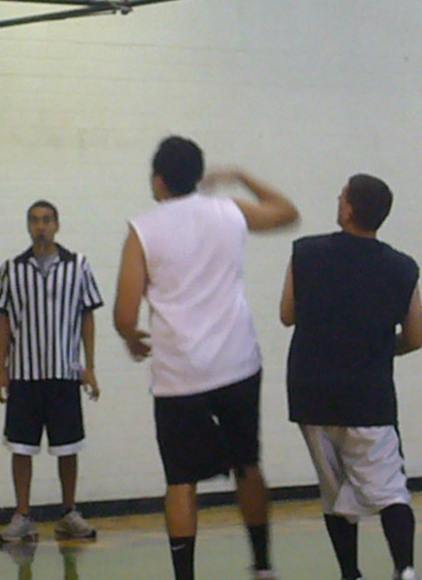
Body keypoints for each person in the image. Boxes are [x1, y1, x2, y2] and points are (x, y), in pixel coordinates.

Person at [113, 136, 299, 580]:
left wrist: (131, 338)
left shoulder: (143, 229)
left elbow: (125, 313)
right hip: (237, 364)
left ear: (159, 180)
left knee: (181, 481)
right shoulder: (229, 211)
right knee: (247, 465)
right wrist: (238, 175)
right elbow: (287, 212)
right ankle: (263, 566)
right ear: (198, 176)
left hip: (179, 374)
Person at [279, 174, 422, 580]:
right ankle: (404, 570)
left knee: (333, 491)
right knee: (390, 490)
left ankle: (350, 574)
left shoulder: (305, 252)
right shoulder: (403, 267)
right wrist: (378, 346)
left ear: (348, 209)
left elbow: (287, 315)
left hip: (311, 393)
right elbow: (415, 337)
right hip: (368, 397)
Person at [0, 200, 103, 543]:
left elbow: (87, 316)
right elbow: (4, 322)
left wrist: (89, 367)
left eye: (47, 220)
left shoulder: (78, 265)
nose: (41, 226)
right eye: (35, 221)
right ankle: (23, 516)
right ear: (28, 226)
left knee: (68, 447)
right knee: (21, 448)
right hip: (23, 375)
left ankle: (68, 513)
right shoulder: (11, 269)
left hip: (64, 373)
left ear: (57, 225)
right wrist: (1, 370)